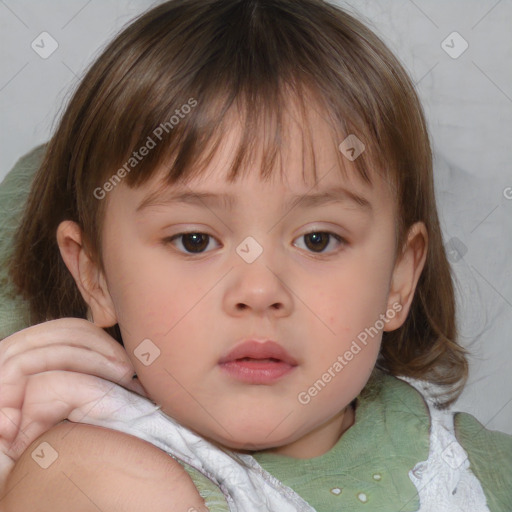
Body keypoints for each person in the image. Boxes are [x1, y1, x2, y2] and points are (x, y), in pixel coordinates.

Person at [0, 0, 510, 510]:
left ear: (399, 278)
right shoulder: (95, 482)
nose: (260, 291)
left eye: (318, 239)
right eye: (194, 240)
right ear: (96, 277)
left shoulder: (482, 469)